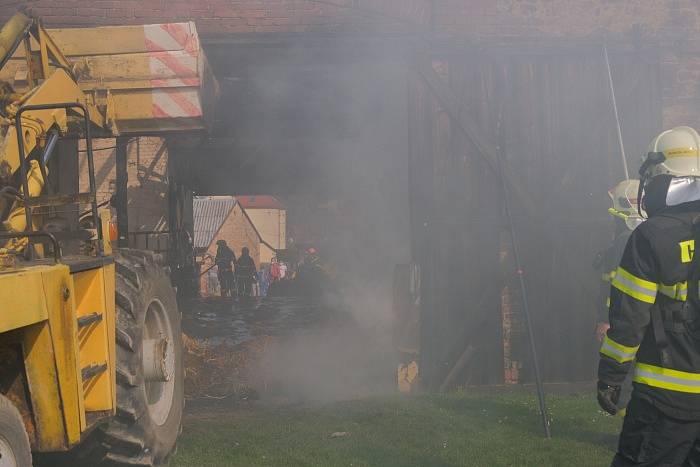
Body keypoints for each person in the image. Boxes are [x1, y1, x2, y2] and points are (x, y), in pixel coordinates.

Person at [598, 126, 700, 465]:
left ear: (660, 179)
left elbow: (630, 318)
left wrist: (611, 376)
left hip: (665, 400)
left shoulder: (651, 237)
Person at [593, 179, 644, 412]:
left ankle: (628, 434)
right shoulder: (651, 236)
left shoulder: (624, 241)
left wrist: (604, 320)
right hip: (649, 321)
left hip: (625, 321)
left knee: (628, 379)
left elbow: (614, 285)